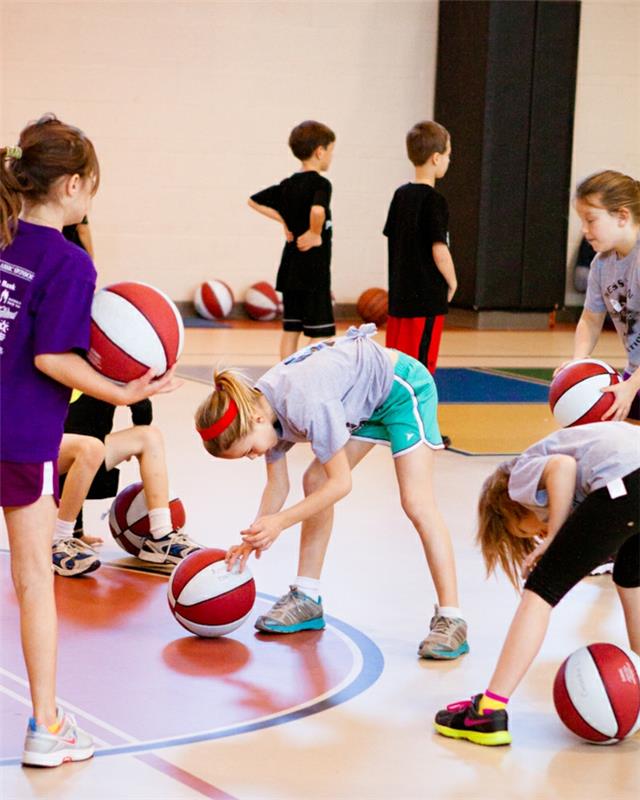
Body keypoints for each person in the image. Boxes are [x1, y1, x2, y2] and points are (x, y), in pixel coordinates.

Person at [0, 115, 179, 767]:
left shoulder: (1, 239)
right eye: (94, 187)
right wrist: (125, 394)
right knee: (32, 583)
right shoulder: (71, 262)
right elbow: (53, 359)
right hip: (19, 440)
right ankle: (47, 727)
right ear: (73, 185)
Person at [194, 323, 469, 659]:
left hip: (402, 388)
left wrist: (280, 522)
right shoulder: (261, 407)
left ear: (255, 421)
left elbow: (342, 484)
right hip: (362, 398)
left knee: (416, 502)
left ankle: (452, 618)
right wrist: (252, 536)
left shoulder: (303, 402)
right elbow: (277, 484)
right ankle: (307, 597)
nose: (254, 456)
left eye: (249, 450)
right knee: (315, 481)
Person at [433, 422, 640, 746]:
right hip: (630, 478)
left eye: (526, 531)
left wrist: (556, 534)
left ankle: (488, 711)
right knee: (631, 581)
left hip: (626, 480)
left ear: (509, 507)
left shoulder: (516, 477)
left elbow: (562, 467)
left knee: (540, 592)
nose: (537, 533)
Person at [53, 393, 200, 577]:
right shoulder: (68, 367)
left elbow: (139, 403)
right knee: (89, 447)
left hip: (84, 449)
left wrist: (78, 531)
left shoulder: (104, 370)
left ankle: (161, 536)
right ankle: (57, 543)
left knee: (148, 436)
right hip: (33, 450)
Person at [249, 120, 336, 361]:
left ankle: (285, 374)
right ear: (320, 151)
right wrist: (315, 234)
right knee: (321, 334)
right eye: (330, 151)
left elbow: (253, 201)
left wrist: (284, 220)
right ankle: (304, 376)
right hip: (313, 272)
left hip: (290, 271)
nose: (331, 157)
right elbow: (318, 211)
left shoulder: (287, 185)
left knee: (291, 331)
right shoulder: (321, 183)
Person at [384, 121, 457, 378]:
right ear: (436, 158)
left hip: (399, 299)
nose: (449, 161)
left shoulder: (400, 195)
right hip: (426, 300)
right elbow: (439, 249)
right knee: (421, 368)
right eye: (448, 155)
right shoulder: (435, 201)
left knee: (394, 365)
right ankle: (418, 416)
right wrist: (452, 281)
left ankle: (391, 412)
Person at [567, 170, 640, 420]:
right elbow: (590, 319)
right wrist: (577, 364)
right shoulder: (601, 263)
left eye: (591, 220)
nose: (585, 230)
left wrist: (631, 387)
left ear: (622, 216)